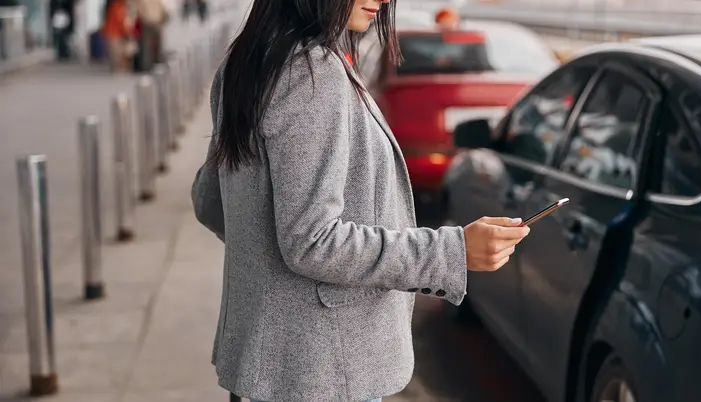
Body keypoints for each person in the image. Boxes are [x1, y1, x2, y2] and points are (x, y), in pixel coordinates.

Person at [190, 0, 531, 401]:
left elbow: (210, 201)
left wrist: (265, 269)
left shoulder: (249, 59)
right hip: (321, 373)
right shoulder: (312, 75)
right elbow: (312, 241)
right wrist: (451, 252)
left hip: (274, 368)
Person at [102, 0, 132, 73]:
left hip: (111, 32)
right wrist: (126, 32)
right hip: (116, 33)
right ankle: (117, 69)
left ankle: (115, 68)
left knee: (114, 52)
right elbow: (120, 21)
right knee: (117, 53)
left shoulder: (112, 7)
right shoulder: (119, 7)